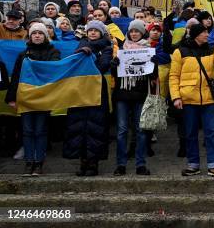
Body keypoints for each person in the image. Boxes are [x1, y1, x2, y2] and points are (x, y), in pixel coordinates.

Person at [169, 23, 214, 177]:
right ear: (196, 34)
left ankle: (213, 165)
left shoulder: (211, 49)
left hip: (209, 99)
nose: (207, 35)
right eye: (204, 32)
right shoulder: (180, 52)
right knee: (190, 133)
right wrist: (176, 96)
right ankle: (193, 164)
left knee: (211, 132)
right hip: (188, 99)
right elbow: (174, 76)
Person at [5, 23, 61, 176]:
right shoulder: (23, 55)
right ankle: (29, 163)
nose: (37, 35)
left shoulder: (53, 52)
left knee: (41, 131)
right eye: (34, 33)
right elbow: (16, 77)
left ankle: (39, 164)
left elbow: (55, 73)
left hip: (43, 98)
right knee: (28, 131)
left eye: (40, 33)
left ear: (45, 36)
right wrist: (11, 98)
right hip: (26, 98)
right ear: (30, 36)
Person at [62, 21, 113, 176]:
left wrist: (89, 52)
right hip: (79, 90)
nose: (92, 33)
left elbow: (102, 66)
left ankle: (93, 163)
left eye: (95, 31)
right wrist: (81, 53)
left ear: (101, 33)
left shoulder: (106, 48)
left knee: (95, 126)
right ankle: (82, 161)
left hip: (97, 90)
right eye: (89, 30)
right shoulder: (78, 48)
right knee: (79, 125)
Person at [110, 19, 157, 176]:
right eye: (132, 31)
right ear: (128, 33)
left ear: (142, 33)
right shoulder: (121, 49)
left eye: (137, 31)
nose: (134, 34)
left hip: (140, 95)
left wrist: (153, 64)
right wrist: (114, 65)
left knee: (140, 130)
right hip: (123, 94)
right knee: (122, 130)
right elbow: (115, 75)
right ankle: (121, 164)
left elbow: (152, 76)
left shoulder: (148, 50)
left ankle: (140, 164)